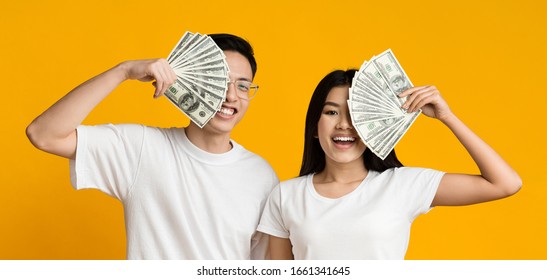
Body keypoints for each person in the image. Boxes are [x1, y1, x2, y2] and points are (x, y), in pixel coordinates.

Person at [26, 34, 279, 259]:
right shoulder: (142, 149)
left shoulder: (261, 175)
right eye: (220, 81)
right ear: (192, 81)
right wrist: (123, 71)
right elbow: (44, 134)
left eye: (243, 85)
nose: (231, 95)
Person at [257, 69, 521, 259]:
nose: (344, 124)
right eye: (331, 112)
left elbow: (505, 184)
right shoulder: (286, 195)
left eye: (356, 114)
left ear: (376, 125)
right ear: (315, 126)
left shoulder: (403, 184)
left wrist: (447, 116)